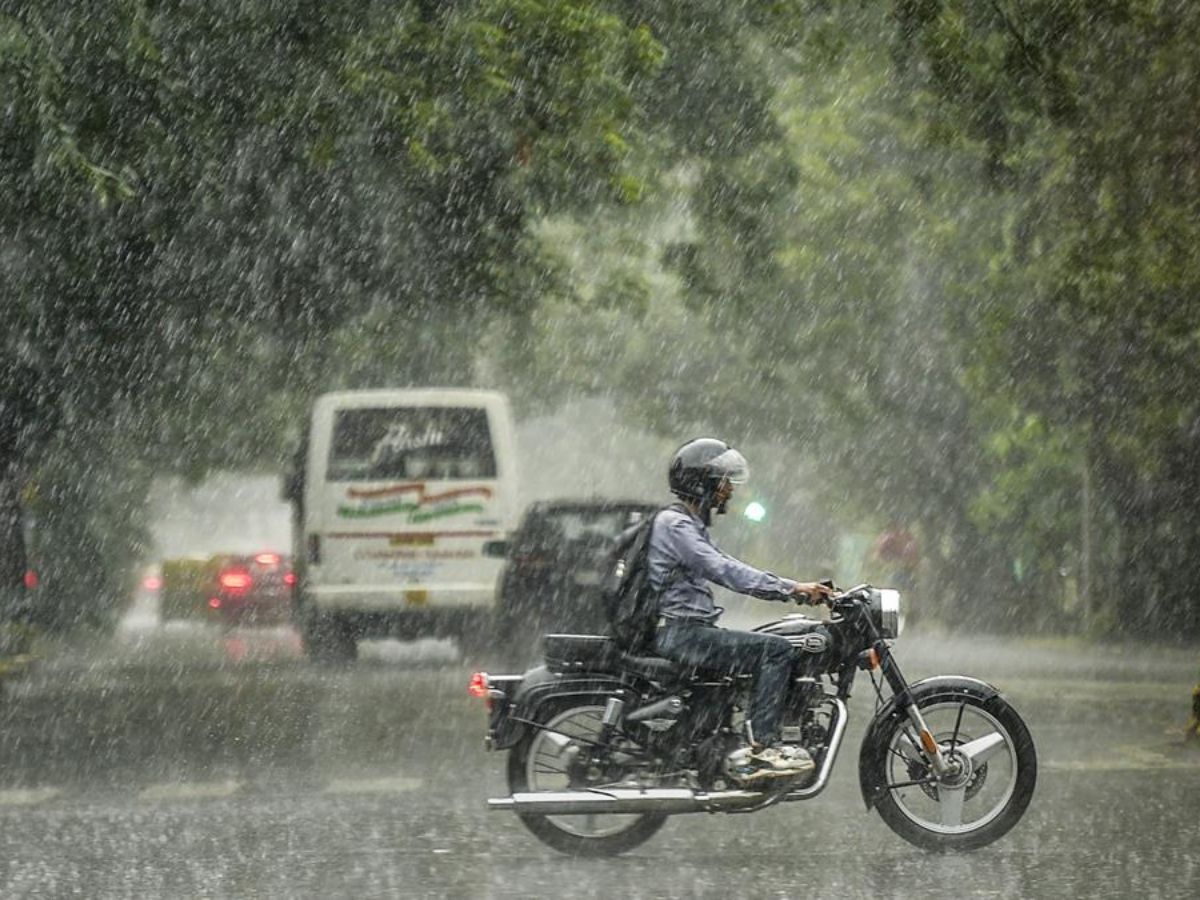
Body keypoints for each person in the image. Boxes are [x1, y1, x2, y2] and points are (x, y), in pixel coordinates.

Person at [648, 438, 834, 783]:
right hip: (682, 633)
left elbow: (726, 562)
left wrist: (794, 586)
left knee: (760, 649)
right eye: (722, 483)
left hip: (687, 629)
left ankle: (731, 741)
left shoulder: (687, 524)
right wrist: (788, 589)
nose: (728, 491)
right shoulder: (675, 525)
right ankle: (762, 749)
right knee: (776, 650)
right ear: (699, 481)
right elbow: (721, 569)